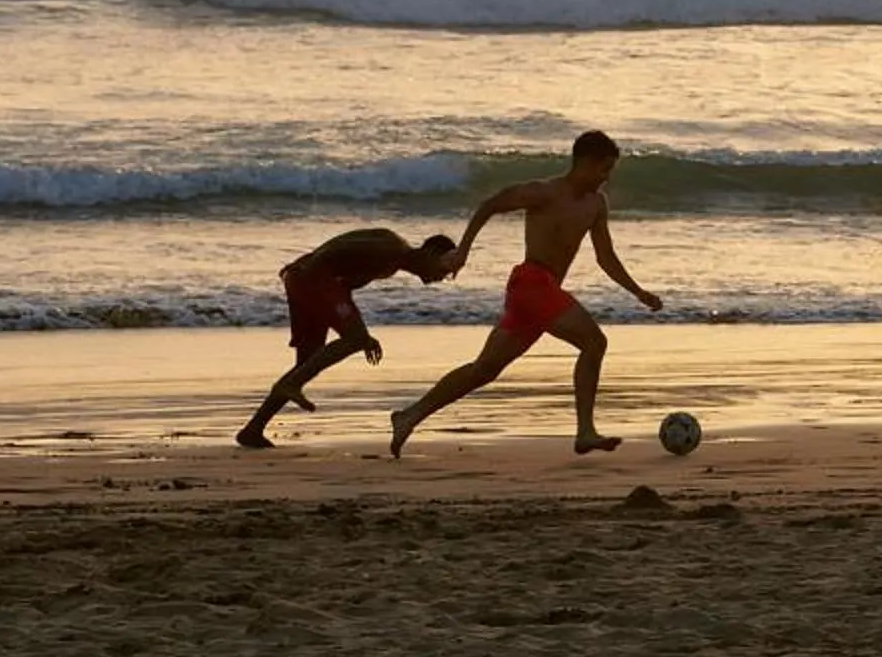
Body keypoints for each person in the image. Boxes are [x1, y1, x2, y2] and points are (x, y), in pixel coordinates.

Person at [389, 131, 662, 456]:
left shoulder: (595, 204)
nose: (606, 178)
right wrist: (463, 250)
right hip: (532, 283)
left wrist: (638, 292)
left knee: (484, 370)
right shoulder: (544, 192)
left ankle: (409, 415)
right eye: (603, 170)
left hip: (539, 294)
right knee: (594, 342)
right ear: (585, 163)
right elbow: (489, 205)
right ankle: (585, 431)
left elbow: (606, 257)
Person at [235, 228, 459, 448]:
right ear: (432, 252)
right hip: (310, 277)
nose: (443, 276)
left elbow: (344, 288)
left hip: (307, 279)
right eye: (445, 267)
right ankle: (290, 384)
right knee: (352, 340)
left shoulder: (391, 262)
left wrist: (362, 333)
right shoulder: (390, 248)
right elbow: (328, 254)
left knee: (308, 361)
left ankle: (253, 430)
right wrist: (358, 333)